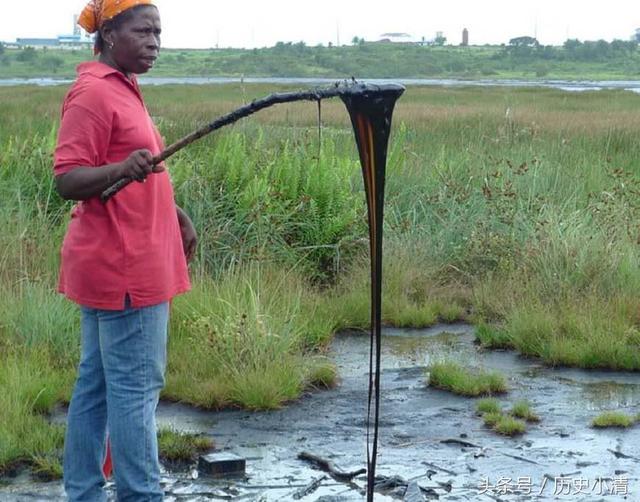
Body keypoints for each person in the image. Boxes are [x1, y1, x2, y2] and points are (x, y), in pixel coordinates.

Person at [53, 1, 196, 500]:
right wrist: (119, 170)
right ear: (110, 33)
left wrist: (176, 218)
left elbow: (141, 167)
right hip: (125, 270)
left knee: (95, 389)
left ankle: (85, 493)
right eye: (144, 30)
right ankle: (141, 495)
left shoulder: (124, 88)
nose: (155, 41)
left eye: (159, 32)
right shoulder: (94, 92)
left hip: (130, 260)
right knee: (135, 396)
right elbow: (68, 178)